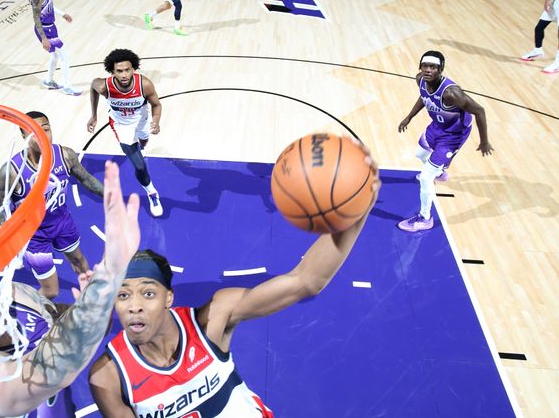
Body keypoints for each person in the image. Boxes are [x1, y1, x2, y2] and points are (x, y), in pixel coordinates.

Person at [87, 151, 379, 416]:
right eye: (122, 295)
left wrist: (355, 212)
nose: (134, 306)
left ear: (168, 297)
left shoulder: (213, 318)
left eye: (147, 293)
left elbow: (305, 280)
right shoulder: (108, 376)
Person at [0, 160, 140, 417]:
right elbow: (48, 371)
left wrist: (90, 307)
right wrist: (110, 274)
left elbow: (66, 322)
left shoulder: (14, 296)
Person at [0, 111, 104, 299]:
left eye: (46, 129)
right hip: (34, 236)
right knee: (51, 292)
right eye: (34, 131)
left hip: (62, 223)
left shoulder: (65, 155)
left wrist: (111, 195)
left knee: (79, 261)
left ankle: (89, 296)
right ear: (23, 136)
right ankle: (30, 311)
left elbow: (87, 180)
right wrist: (7, 240)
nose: (43, 135)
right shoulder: (11, 171)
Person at [397, 51, 493, 232]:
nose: (427, 70)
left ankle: (424, 219)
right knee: (419, 154)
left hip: (454, 135)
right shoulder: (420, 80)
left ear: (440, 69)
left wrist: (484, 141)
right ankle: (440, 172)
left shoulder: (451, 93)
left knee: (425, 178)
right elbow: (424, 97)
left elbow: (479, 110)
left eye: (432, 67)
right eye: (425, 66)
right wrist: (409, 117)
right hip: (437, 126)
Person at [87, 49, 164, 218]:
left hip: (142, 119)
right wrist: (94, 115)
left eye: (127, 70)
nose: (124, 74)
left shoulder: (144, 84)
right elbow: (93, 88)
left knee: (144, 140)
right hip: (121, 125)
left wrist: (156, 121)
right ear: (112, 71)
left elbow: (156, 105)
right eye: (119, 71)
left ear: (133, 69)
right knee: (139, 166)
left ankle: (142, 147)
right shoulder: (104, 86)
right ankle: (152, 193)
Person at [31, 0, 80, 94]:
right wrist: (43, 39)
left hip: (51, 26)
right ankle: (67, 86)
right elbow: (36, 18)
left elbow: (49, 6)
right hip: (44, 29)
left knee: (54, 56)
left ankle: (49, 80)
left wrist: (62, 14)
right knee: (65, 56)